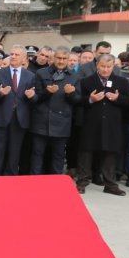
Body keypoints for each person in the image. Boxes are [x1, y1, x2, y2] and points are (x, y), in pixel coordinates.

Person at [76, 54, 129, 195]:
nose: (105, 70)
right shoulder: (86, 81)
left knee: (110, 153)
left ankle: (110, 184)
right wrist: (90, 99)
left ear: (113, 66)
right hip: (91, 122)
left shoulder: (122, 82)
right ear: (97, 66)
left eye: (109, 67)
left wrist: (118, 98)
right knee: (86, 152)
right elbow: (78, 101)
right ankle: (82, 181)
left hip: (112, 123)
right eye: (102, 66)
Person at [30, 46, 81, 175]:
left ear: (68, 59)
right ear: (53, 58)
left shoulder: (74, 76)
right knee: (37, 153)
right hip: (41, 120)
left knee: (58, 156)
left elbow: (77, 101)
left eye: (64, 58)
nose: (61, 61)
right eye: (58, 58)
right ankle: (34, 181)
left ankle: (56, 182)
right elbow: (36, 97)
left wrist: (71, 94)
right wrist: (47, 92)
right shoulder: (42, 73)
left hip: (62, 122)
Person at [0, 46, 38, 176]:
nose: (13, 56)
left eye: (17, 54)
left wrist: (32, 96)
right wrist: (0, 93)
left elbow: (35, 99)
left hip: (19, 119)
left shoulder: (30, 76)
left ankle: (11, 177)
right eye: (12, 54)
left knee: (14, 152)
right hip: (1, 118)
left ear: (23, 58)